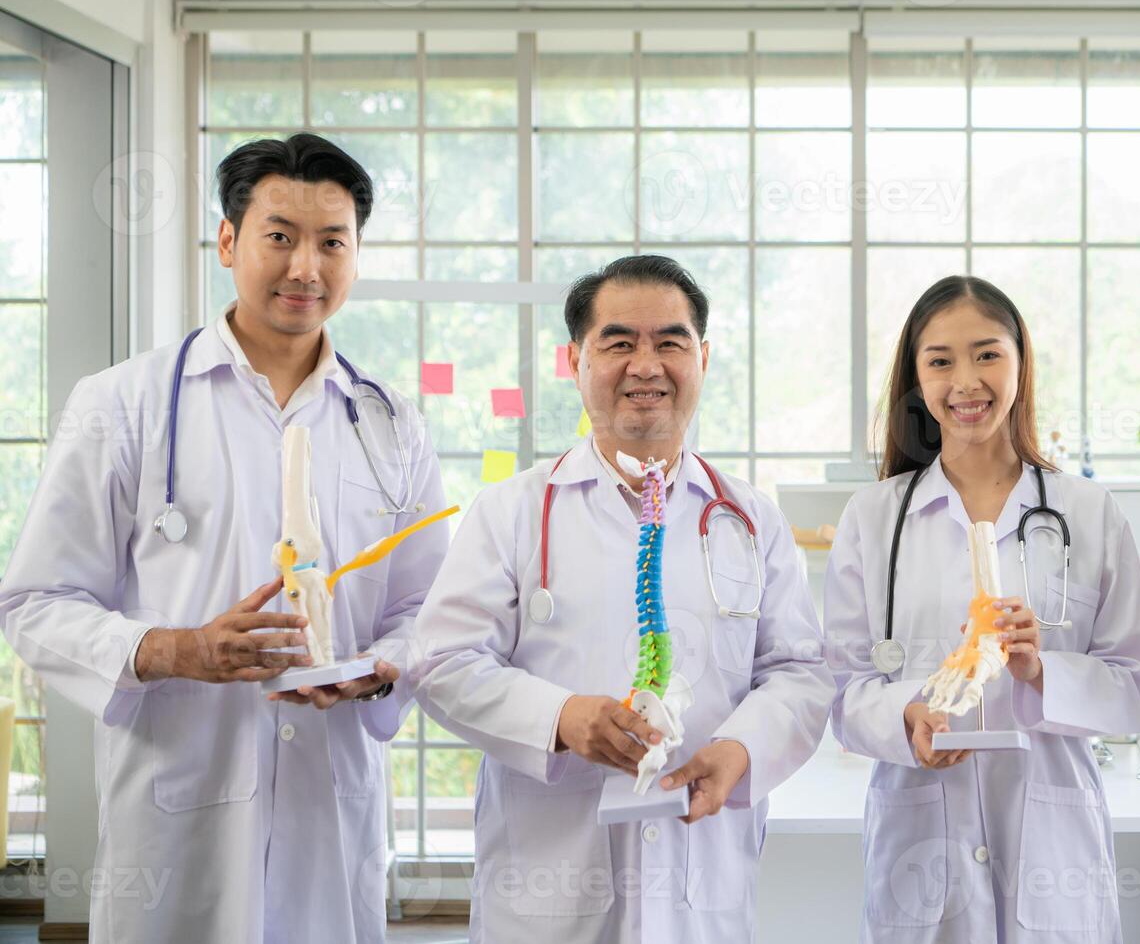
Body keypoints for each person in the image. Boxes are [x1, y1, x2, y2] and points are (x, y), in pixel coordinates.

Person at [0, 133, 449, 943]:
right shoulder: (125, 403)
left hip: (329, 809)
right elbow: (35, 602)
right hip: (179, 822)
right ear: (228, 241)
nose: (305, 267)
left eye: (332, 242)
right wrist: (178, 650)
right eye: (279, 236)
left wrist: (380, 670)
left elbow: (432, 609)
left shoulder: (392, 425)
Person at [409, 253, 834, 942]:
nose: (646, 365)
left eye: (670, 342)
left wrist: (742, 751)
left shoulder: (749, 519)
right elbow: (442, 663)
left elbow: (801, 672)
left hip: (702, 881)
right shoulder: (513, 511)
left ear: (704, 357)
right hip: (553, 886)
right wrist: (561, 717)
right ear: (575, 359)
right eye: (618, 343)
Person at [823, 276, 1140, 943]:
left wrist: (1043, 672)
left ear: (1020, 363)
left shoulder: (1087, 513)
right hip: (920, 840)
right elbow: (841, 690)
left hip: (1052, 846)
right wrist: (908, 718)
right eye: (940, 361)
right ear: (916, 379)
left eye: (987, 354)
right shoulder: (874, 518)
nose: (965, 381)